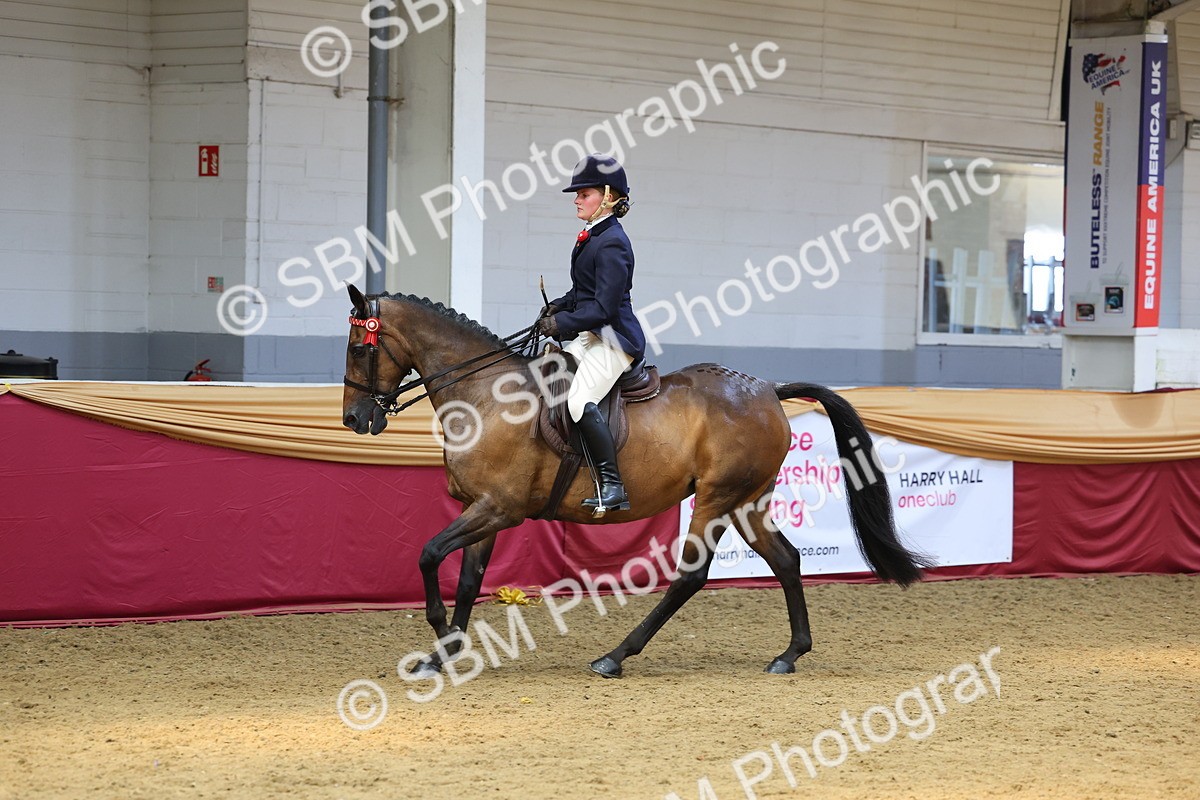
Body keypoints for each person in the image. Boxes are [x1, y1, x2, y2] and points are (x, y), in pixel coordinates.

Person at [536, 154, 646, 514]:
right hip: (591, 337)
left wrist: (563, 324)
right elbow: (582, 293)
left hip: (614, 340)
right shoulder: (593, 236)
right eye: (577, 194)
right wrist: (557, 306)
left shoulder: (612, 240)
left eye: (584, 193)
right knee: (548, 374)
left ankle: (614, 487)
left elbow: (604, 308)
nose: (576, 199)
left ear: (608, 196)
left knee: (579, 400)